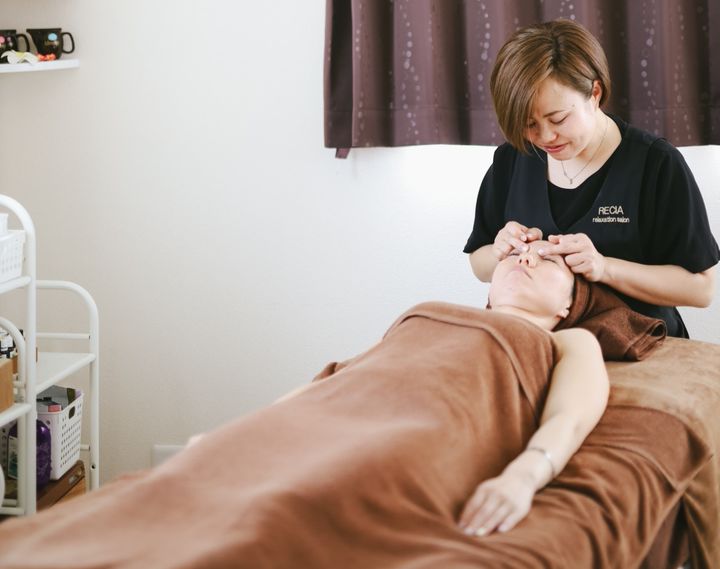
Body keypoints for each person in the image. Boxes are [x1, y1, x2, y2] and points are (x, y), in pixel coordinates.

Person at [0, 241, 613, 567]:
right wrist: (241, 432)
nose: (527, 256)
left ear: (569, 304)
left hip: (417, 433)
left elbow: (572, 414)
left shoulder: (566, 341)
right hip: (333, 413)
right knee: (181, 490)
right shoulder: (431, 311)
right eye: (518, 253)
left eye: (548, 260)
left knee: (294, 508)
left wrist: (524, 476)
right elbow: (342, 378)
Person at [464, 18, 719, 338]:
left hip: (637, 347)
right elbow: (479, 263)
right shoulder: (513, 159)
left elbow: (701, 288)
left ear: (594, 93)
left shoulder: (656, 165)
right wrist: (501, 251)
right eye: (529, 124)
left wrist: (604, 267)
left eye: (558, 118)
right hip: (539, 344)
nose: (545, 136)